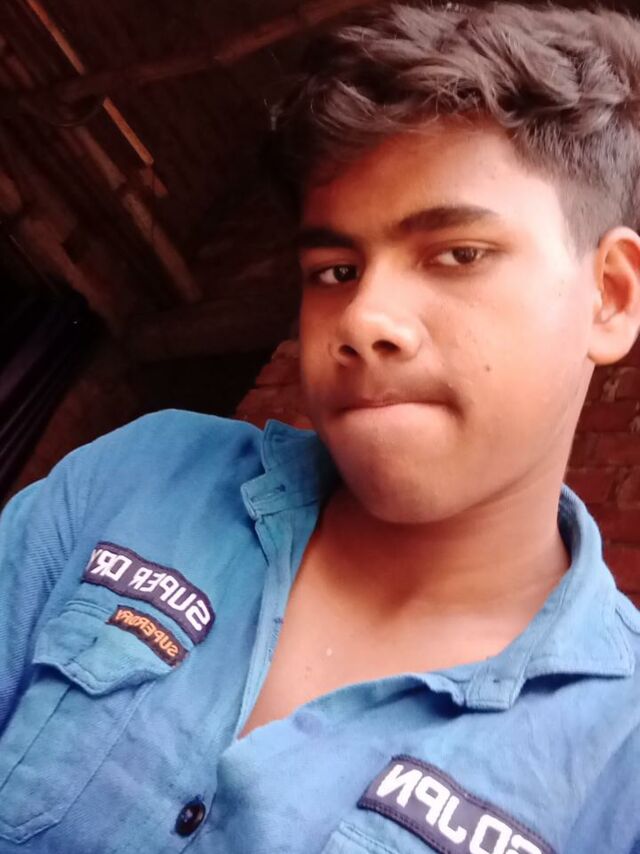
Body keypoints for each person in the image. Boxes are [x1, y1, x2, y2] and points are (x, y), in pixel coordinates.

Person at [1, 2, 640, 852]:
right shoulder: (141, 478)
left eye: (458, 254)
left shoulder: (621, 760)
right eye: (335, 270)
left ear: (610, 297)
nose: (364, 316)